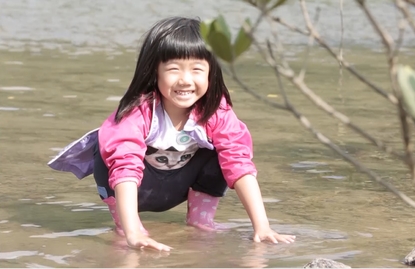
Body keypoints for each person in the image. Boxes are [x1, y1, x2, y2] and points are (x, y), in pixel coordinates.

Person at [48, 16, 295, 251]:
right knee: (105, 147)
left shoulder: (215, 111)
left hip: (177, 185)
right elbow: (124, 168)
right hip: (134, 188)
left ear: (211, 73)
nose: (185, 80)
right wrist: (133, 231)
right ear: (154, 71)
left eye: (197, 69)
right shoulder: (138, 112)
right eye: (174, 69)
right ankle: (125, 228)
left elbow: (239, 162)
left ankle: (201, 223)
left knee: (222, 152)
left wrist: (262, 227)